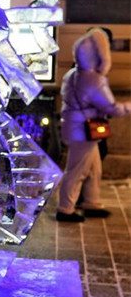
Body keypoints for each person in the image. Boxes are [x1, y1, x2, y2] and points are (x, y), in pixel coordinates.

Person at [56, 28, 131, 222]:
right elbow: (111, 107)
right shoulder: (93, 79)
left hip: (74, 127)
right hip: (83, 130)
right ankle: (65, 209)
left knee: (94, 167)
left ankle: (91, 201)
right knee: (76, 170)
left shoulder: (72, 74)